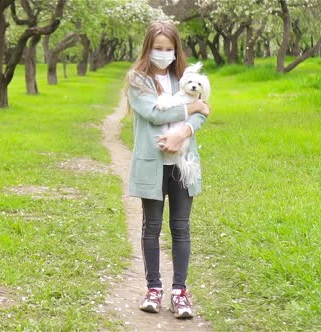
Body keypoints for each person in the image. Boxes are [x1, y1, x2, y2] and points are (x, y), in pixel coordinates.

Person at [124, 20, 210, 319]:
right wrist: (191, 109)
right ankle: (154, 289)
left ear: (176, 50)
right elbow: (153, 113)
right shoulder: (138, 79)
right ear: (148, 48)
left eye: (169, 49)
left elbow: (203, 114)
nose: (163, 53)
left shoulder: (184, 77)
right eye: (157, 48)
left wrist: (182, 132)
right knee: (152, 227)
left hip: (182, 164)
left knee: (181, 227)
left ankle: (180, 293)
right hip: (152, 163)